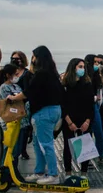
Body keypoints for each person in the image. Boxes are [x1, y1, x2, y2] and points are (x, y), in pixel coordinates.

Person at [7, 46, 64, 184]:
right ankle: (39, 171)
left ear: (39, 58)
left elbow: (28, 92)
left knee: (45, 144)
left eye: (33, 56)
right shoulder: (52, 73)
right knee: (38, 144)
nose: (32, 59)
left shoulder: (42, 74)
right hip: (52, 110)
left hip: (44, 113)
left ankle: (53, 175)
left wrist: (13, 98)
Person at [62, 58, 95, 177]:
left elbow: (91, 105)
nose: (82, 69)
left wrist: (87, 121)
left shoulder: (87, 84)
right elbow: (63, 105)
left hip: (84, 119)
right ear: (73, 67)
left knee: (85, 147)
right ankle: (68, 173)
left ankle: (84, 173)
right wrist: (69, 123)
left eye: (83, 67)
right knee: (67, 146)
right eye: (80, 67)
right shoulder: (65, 84)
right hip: (69, 120)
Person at [0, 63, 25, 181]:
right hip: (11, 122)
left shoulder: (17, 86)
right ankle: (5, 172)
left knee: (17, 149)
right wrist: (17, 97)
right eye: (15, 74)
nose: (17, 76)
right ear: (8, 75)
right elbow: (9, 101)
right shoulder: (4, 87)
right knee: (10, 148)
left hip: (21, 121)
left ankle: (12, 171)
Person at [85, 54, 103, 167]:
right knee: (87, 133)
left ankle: (100, 157)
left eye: (98, 63)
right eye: (95, 62)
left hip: (96, 107)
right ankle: (87, 159)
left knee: (99, 132)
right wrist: (95, 98)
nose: (97, 65)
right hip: (86, 108)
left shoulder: (96, 76)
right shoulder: (84, 77)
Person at [10, 51, 33, 160]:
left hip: (24, 104)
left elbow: (28, 90)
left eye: (17, 58)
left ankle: (23, 150)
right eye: (13, 58)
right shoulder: (9, 72)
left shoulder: (27, 74)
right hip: (11, 104)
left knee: (24, 128)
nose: (15, 60)